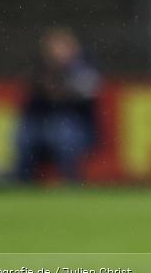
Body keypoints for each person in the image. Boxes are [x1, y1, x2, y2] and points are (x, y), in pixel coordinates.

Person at [15, 26, 100, 183]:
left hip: (78, 127)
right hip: (42, 125)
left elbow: (85, 96)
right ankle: (22, 180)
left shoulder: (83, 70)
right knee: (24, 134)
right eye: (53, 48)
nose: (56, 52)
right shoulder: (40, 70)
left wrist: (60, 90)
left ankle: (70, 179)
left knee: (63, 132)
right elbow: (31, 102)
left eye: (61, 47)